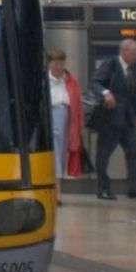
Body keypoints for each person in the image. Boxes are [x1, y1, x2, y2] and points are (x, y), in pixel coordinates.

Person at [88, 38, 136, 199]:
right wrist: (106, 93)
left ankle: (134, 188)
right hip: (110, 119)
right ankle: (103, 188)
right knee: (103, 154)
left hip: (127, 120)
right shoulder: (111, 64)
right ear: (124, 51)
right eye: (133, 53)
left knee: (134, 152)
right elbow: (96, 82)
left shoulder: (133, 69)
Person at [46, 49, 83, 194]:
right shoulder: (44, 81)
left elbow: (77, 106)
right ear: (49, 64)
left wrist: (78, 127)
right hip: (50, 119)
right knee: (54, 154)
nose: (58, 67)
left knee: (61, 155)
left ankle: (57, 190)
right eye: (55, 63)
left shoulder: (71, 82)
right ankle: (56, 191)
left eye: (61, 63)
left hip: (66, 122)